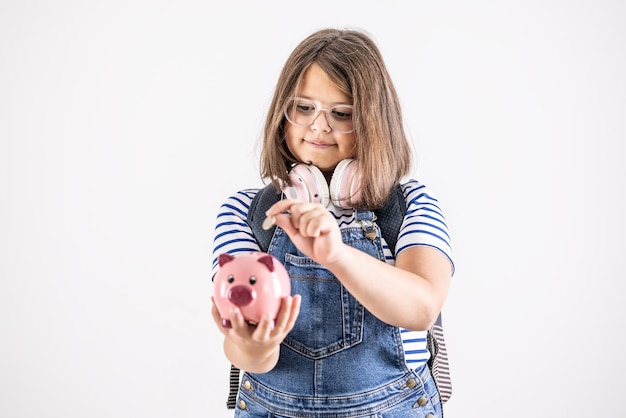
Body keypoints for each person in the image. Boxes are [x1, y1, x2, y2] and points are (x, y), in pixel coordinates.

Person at [210, 28, 454, 418]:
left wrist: (337, 255)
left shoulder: (408, 206)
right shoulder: (248, 212)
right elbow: (244, 350)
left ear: (375, 123)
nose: (318, 126)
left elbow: (422, 307)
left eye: (341, 114)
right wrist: (253, 344)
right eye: (303, 108)